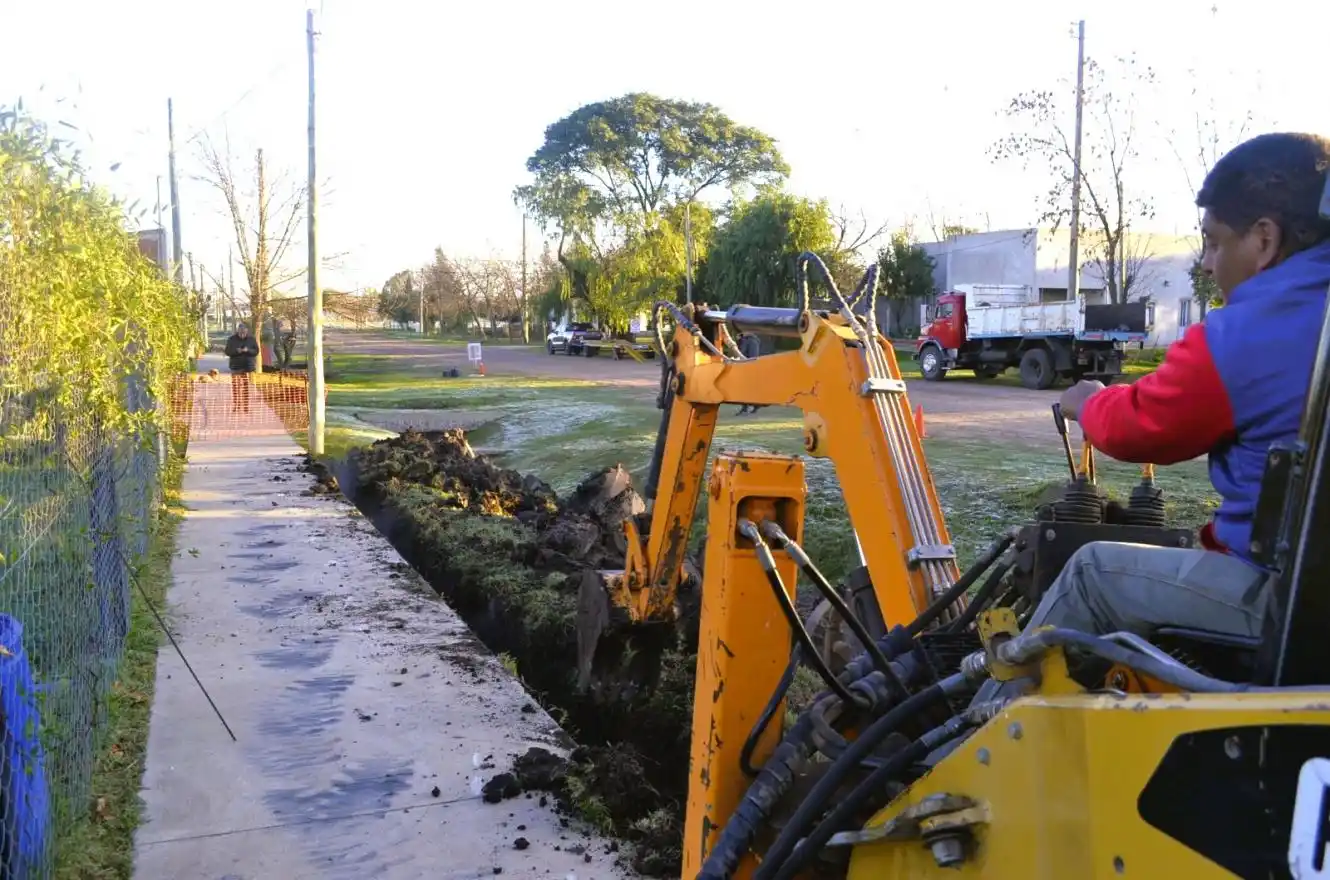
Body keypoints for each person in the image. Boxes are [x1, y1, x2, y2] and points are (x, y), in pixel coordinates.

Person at [992, 132, 1330, 691]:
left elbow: (1143, 426)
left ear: (1264, 240)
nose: (1207, 261)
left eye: (1215, 243)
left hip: (1285, 601)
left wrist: (1089, 402)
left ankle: (976, 745)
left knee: (1094, 572)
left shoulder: (1247, 332)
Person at [224, 323, 260, 414]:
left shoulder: (251, 339)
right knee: (235, 387)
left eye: (244, 332)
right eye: (240, 332)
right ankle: (236, 405)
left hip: (248, 367)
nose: (242, 333)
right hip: (236, 367)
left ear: (247, 331)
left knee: (246, 387)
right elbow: (227, 351)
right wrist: (237, 351)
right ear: (238, 331)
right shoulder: (231, 339)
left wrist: (248, 350)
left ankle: (246, 406)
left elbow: (256, 351)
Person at [736, 332, 764, 416]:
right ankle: (755, 405)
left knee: (744, 388)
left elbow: (742, 352)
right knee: (750, 388)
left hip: (746, 366)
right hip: (753, 366)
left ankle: (746, 408)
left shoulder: (746, 340)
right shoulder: (755, 340)